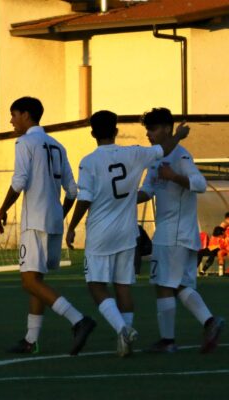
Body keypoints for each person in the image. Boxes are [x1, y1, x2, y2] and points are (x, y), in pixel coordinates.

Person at [66, 110, 189, 357]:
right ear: (116, 131)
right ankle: (127, 339)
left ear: (92, 133)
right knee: (123, 285)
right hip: (127, 231)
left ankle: (123, 330)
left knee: (96, 285)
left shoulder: (89, 161)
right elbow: (162, 150)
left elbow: (85, 197)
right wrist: (178, 135)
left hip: (100, 232)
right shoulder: (133, 153)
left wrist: (71, 226)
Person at [0, 96, 95, 356]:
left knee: (29, 281)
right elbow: (72, 191)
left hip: (35, 221)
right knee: (36, 279)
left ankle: (78, 319)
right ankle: (30, 340)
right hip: (52, 221)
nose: (11, 120)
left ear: (27, 115)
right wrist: (59, 215)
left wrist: (2, 209)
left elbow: (19, 181)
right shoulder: (57, 145)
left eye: (14, 115)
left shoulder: (25, 142)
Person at [137, 108, 224, 353]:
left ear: (167, 129)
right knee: (180, 285)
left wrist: (174, 176)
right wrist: (122, 200)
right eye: (147, 130)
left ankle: (171, 340)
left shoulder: (182, 156)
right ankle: (205, 323)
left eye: (152, 130)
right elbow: (147, 190)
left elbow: (199, 184)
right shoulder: (155, 159)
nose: (149, 135)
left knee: (165, 284)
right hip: (178, 234)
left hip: (174, 234)